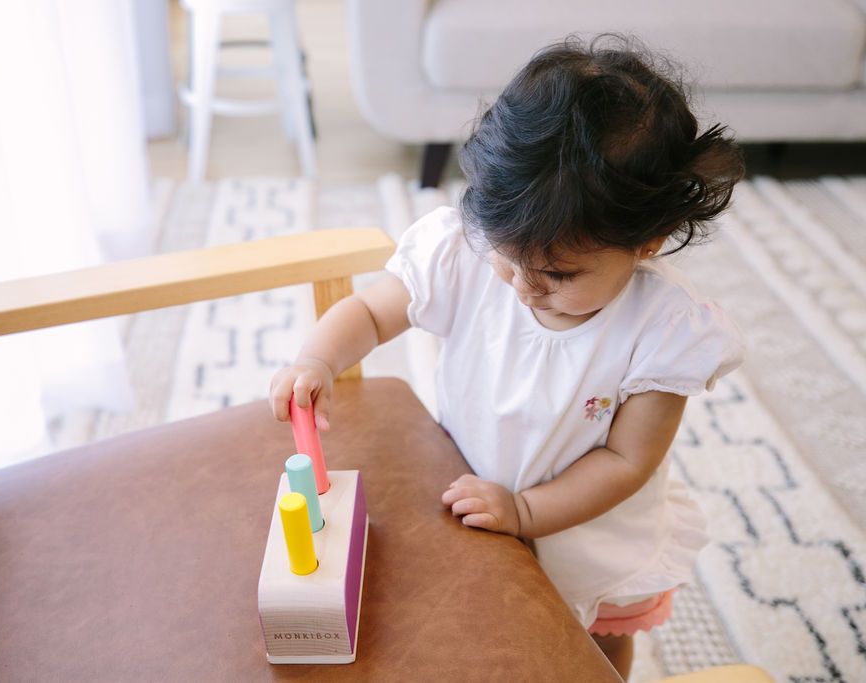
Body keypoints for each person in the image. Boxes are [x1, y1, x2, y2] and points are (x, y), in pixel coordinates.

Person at [269, 35, 745, 679]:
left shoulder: (666, 331)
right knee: (486, 632)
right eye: (509, 256)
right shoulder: (463, 253)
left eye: (559, 273)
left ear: (648, 243)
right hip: (470, 483)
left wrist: (525, 513)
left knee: (599, 640)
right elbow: (374, 311)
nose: (523, 287)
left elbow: (627, 460)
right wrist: (317, 360)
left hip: (585, 530)